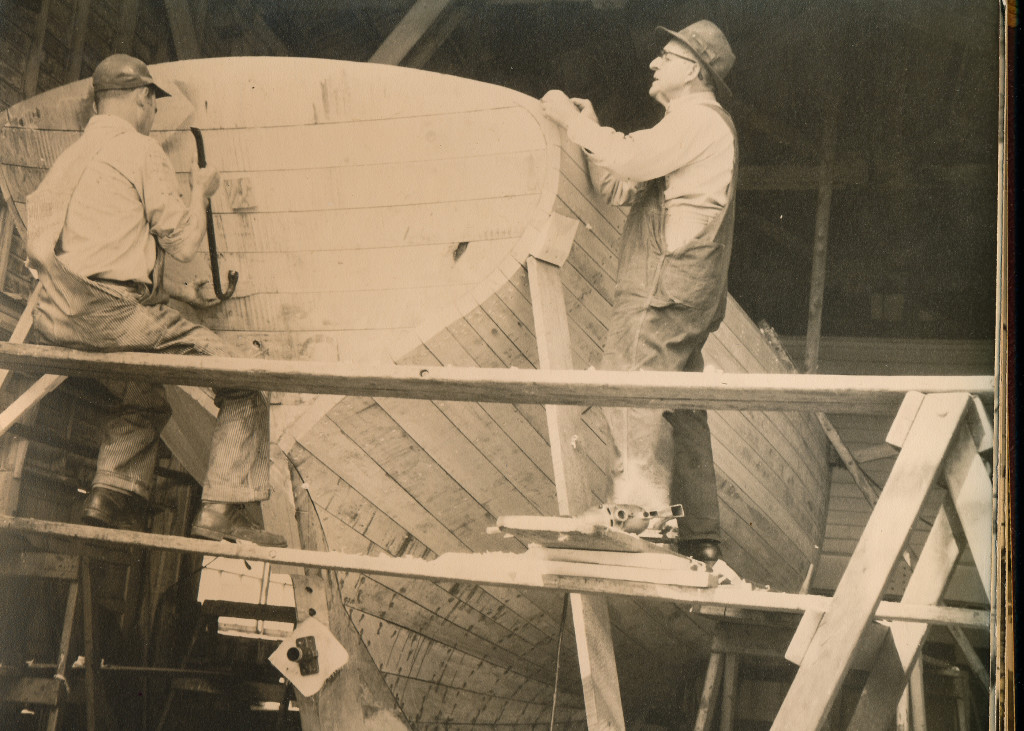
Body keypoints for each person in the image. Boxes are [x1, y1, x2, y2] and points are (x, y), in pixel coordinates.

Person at [25, 54, 286, 547]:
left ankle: (108, 496)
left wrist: (177, 293)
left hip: (60, 316)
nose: (152, 113)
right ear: (143, 99)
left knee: (141, 393)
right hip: (112, 319)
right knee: (245, 378)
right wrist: (200, 192)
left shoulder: (72, 156)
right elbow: (185, 245)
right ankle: (220, 511)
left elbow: (91, 255)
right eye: (152, 103)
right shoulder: (142, 152)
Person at [541, 20, 738, 564]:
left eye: (666, 56)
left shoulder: (698, 120)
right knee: (679, 404)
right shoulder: (681, 131)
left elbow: (627, 159)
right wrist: (592, 128)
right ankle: (701, 533)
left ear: (693, 69)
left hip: (664, 282)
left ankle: (641, 515)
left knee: (628, 384)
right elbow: (618, 185)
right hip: (683, 285)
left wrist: (566, 120)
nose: (653, 63)